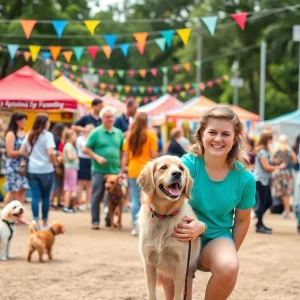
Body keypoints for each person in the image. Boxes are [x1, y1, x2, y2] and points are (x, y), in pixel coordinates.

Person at [163, 105, 256, 300]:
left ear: (235, 138)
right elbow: (165, 206)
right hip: (179, 237)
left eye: (225, 134)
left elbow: (242, 220)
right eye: (212, 132)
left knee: (229, 266)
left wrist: (228, 252)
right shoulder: (186, 166)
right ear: (201, 135)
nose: (218, 139)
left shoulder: (245, 178)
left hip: (215, 238)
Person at [83, 106, 124, 230]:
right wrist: (97, 157)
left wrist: (122, 168)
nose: (110, 119)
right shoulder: (96, 132)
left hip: (114, 170)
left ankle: (109, 220)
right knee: (97, 195)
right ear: (102, 119)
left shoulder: (118, 133)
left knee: (114, 197)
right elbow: (86, 148)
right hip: (99, 170)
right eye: (107, 117)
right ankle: (95, 221)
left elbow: (122, 151)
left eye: (111, 117)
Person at [121, 112, 158, 236]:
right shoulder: (151, 136)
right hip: (147, 170)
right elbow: (154, 155)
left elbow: (125, 156)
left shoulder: (129, 136)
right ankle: (146, 225)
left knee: (136, 199)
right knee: (148, 199)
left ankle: (135, 226)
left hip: (133, 169)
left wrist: (122, 170)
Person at [21, 114, 57, 228]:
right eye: (48, 121)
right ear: (44, 123)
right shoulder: (47, 135)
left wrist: (33, 157)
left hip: (32, 169)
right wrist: (54, 162)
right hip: (46, 169)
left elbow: (23, 151)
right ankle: (45, 222)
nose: (49, 123)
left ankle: (35, 221)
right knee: (46, 197)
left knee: (35, 196)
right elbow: (51, 152)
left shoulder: (30, 134)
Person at [253, 133, 285, 234]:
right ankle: (259, 223)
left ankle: (259, 221)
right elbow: (266, 167)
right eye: (270, 139)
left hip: (264, 180)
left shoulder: (266, 151)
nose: (271, 142)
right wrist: (278, 167)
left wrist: (275, 162)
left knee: (268, 202)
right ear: (266, 140)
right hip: (260, 180)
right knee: (263, 203)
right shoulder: (262, 151)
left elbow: (268, 164)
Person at [4, 112, 29, 204]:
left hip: (22, 166)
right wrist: (21, 152)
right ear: (17, 121)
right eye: (23, 120)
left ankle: (18, 214)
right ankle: (5, 214)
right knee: (13, 191)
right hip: (13, 166)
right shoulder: (11, 134)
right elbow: (10, 152)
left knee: (22, 189)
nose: (25, 122)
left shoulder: (24, 133)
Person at [272, 135, 297, 219]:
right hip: (287, 173)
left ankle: (286, 210)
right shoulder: (288, 150)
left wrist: (277, 162)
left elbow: (272, 160)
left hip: (279, 173)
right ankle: (287, 210)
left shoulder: (276, 150)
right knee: (286, 193)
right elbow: (295, 160)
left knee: (282, 193)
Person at [76, 124, 94, 211]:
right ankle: (79, 202)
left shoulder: (93, 139)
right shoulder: (80, 139)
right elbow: (84, 149)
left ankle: (89, 203)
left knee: (90, 183)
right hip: (82, 160)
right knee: (81, 183)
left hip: (91, 160)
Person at [63, 129, 79, 213]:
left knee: (69, 187)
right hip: (71, 168)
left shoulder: (68, 145)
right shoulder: (69, 145)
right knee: (69, 188)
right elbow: (70, 157)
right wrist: (77, 156)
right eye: (74, 135)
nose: (76, 137)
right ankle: (67, 205)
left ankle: (68, 205)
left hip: (70, 168)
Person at [50, 123, 66, 209]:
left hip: (59, 165)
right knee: (55, 184)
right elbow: (53, 151)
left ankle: (57, 201)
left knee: (59, 184)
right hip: (56, 164)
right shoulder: (56, 139)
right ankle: (51, 201)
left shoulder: (61, 139)